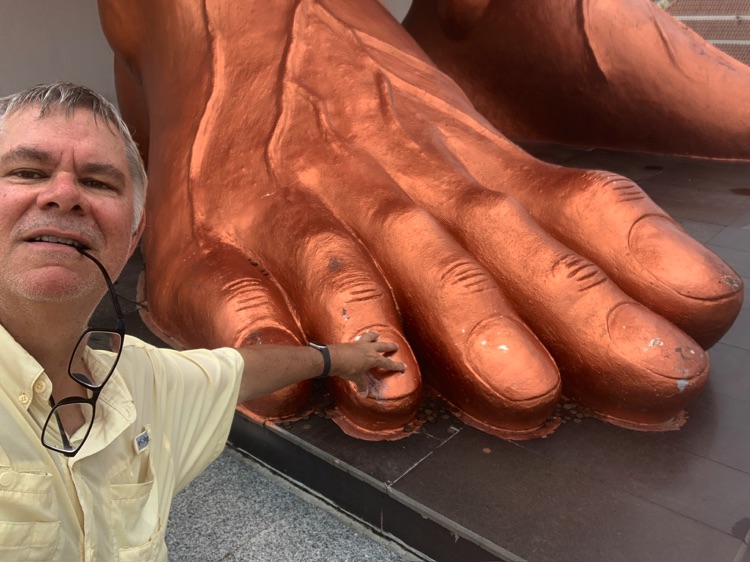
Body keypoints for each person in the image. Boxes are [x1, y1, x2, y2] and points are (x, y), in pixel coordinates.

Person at [0, 82, 406, 560]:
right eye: (27, 172)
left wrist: (339, 358)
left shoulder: (140, 379)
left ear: (133, 235)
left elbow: (238, 371)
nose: (64, 194)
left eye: (98, 182)